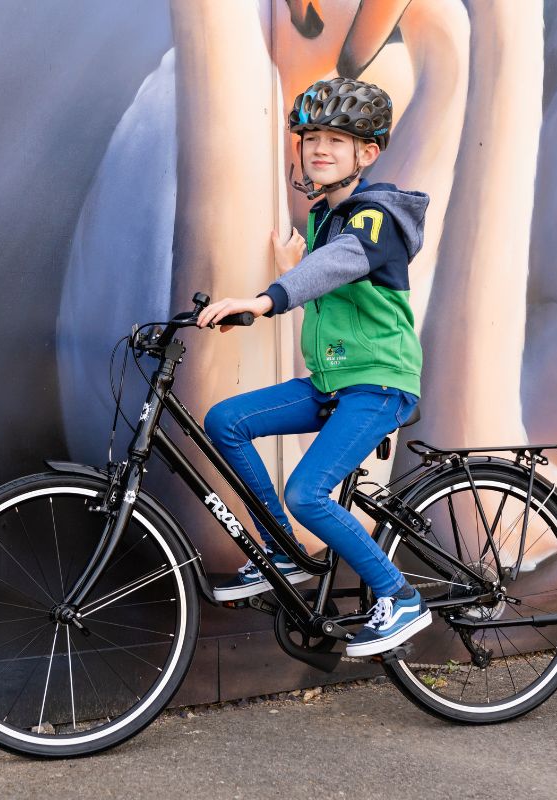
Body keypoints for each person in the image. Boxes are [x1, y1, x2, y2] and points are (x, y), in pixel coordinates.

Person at [196, 77, 431, 657]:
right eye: (311, 138)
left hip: (378, 383)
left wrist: (267, 297)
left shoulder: (376, 215)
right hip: (334, 382)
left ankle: (400, 597)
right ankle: (282, 552)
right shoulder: (328, 218)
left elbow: (344, 262)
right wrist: (294, 267)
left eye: (337, 139)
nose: (319, 148)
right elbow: (332, 278)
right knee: (225, 420)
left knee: (307, 494)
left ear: (367, 153)